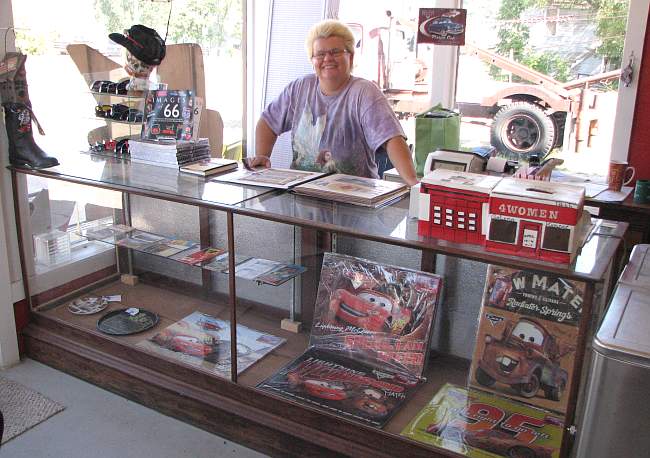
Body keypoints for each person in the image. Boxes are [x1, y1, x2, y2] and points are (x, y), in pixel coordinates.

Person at [249, 20, 418, 186]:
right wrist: (262, 156)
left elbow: (391, 138)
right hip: (302, 195)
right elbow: (267, 122)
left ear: (350, 57)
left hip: (354, 200)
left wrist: (413, 183)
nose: (327, 58)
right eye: (320, 54)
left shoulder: (364, 92)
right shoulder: (299, 88)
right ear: (312, 60)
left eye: (336, 52)